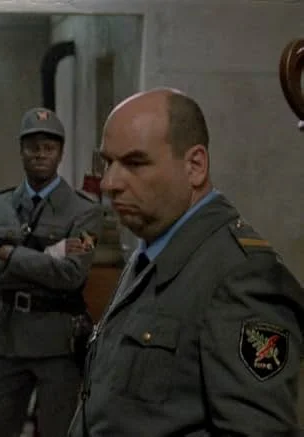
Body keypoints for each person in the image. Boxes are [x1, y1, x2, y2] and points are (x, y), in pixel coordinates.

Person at [70, 88, 304, 436]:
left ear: (194, 166)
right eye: (108, 162)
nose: (109, 183)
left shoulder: (241, 277)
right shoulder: (154, 247)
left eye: (135, 163)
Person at [0, 108, 102, 437]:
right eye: (32, 147)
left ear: (60, 152)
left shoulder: (84, 211)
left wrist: (9, 253)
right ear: (21, 151)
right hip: (7, 337)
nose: (40, 154)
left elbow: (71, 275)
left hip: (58, 342)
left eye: (49, 147)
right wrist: (49, 257)